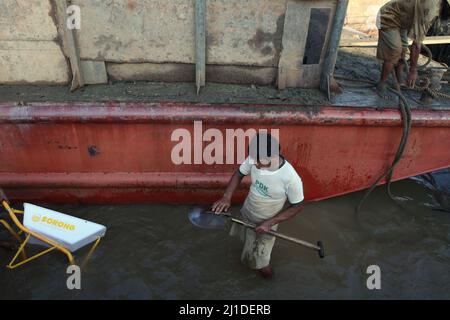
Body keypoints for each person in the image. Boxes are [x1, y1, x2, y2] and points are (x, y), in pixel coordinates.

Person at [212, 133, 305, 279]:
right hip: (248, 210)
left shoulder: (290, 178)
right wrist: (226, 197)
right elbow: (238, 174)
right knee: (245, 240)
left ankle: (270, 284)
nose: (254, 164)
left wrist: (270, 223)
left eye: (258, 161)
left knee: (262, 263)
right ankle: (247, 254)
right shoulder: (255, 158)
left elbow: (297, 205)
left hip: (266, 222)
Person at [376, 0, 450, 99]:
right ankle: (382, 83)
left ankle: (398, 80)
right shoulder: (430, 10)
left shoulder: (438, 6)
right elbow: (416, 44)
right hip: (389, 16)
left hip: (403, 19)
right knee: (394, 51)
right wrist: (413, 70)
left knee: (403, 50)